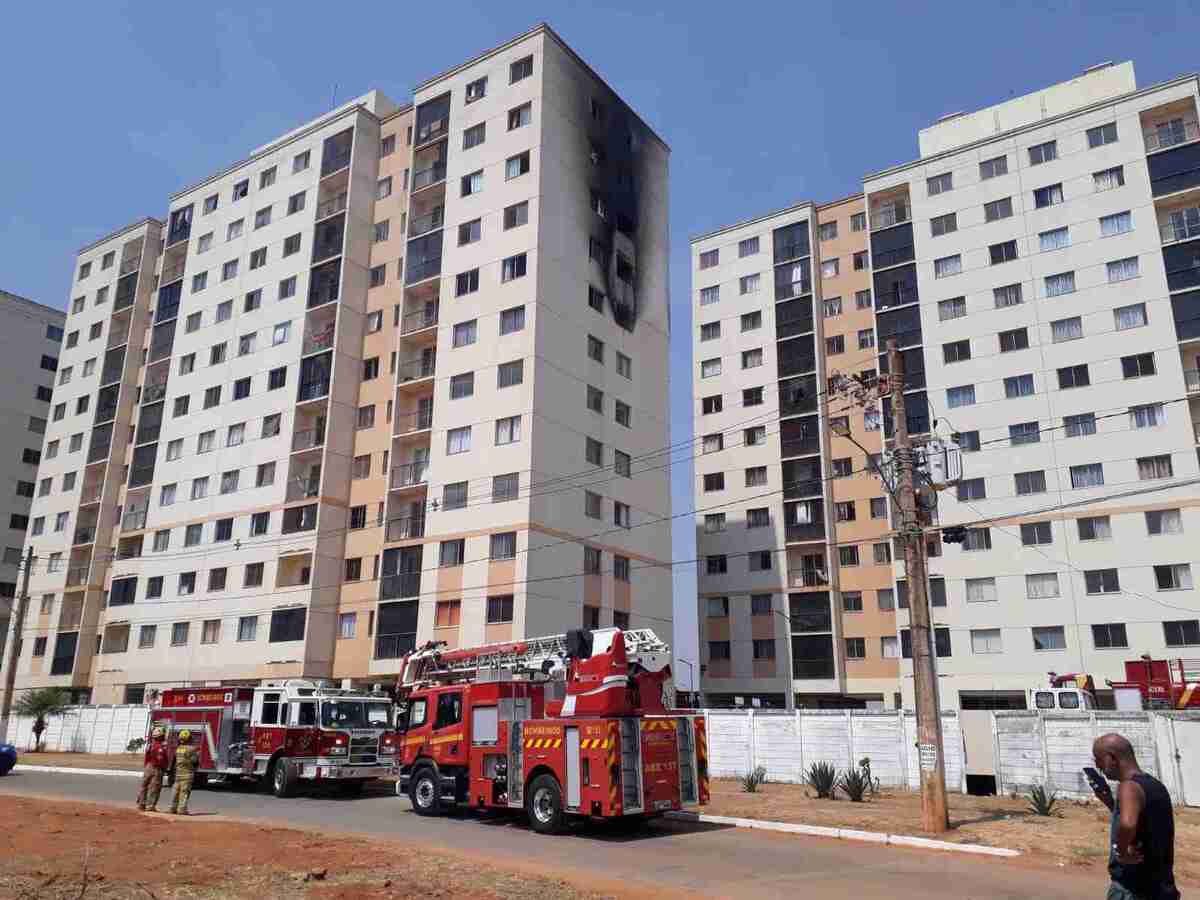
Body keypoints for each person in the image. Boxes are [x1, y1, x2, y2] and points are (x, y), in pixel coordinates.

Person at [1090, 733, 1180, 900]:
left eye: (1098, 759)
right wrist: (1110, 803)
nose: (1097, 766)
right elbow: (1143, 824)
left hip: (1134, 890)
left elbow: (1128, 825)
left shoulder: (1128, 787)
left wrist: (1122, 851)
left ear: (1111, 758)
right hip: (1162, 888)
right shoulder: (1154, 785)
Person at [136, 727, 169, 812]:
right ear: (160, 736)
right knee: (154, 787)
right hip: (156, 768)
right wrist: (164, 768)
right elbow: (160, 760)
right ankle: (150, 806)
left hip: (148, 767)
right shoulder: (160, 747)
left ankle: (141, 804)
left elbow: (146, 758)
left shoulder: (149, 745)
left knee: (144, 786)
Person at [170, 729, 200, 815]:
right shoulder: (192, 749)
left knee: (175, 791)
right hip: (187, 774)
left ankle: (172, 808)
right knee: (184, 792)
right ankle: (182, 809)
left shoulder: (178, 749)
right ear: (189, 738)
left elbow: (174, 761)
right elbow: (195, 762)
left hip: (178, 773)